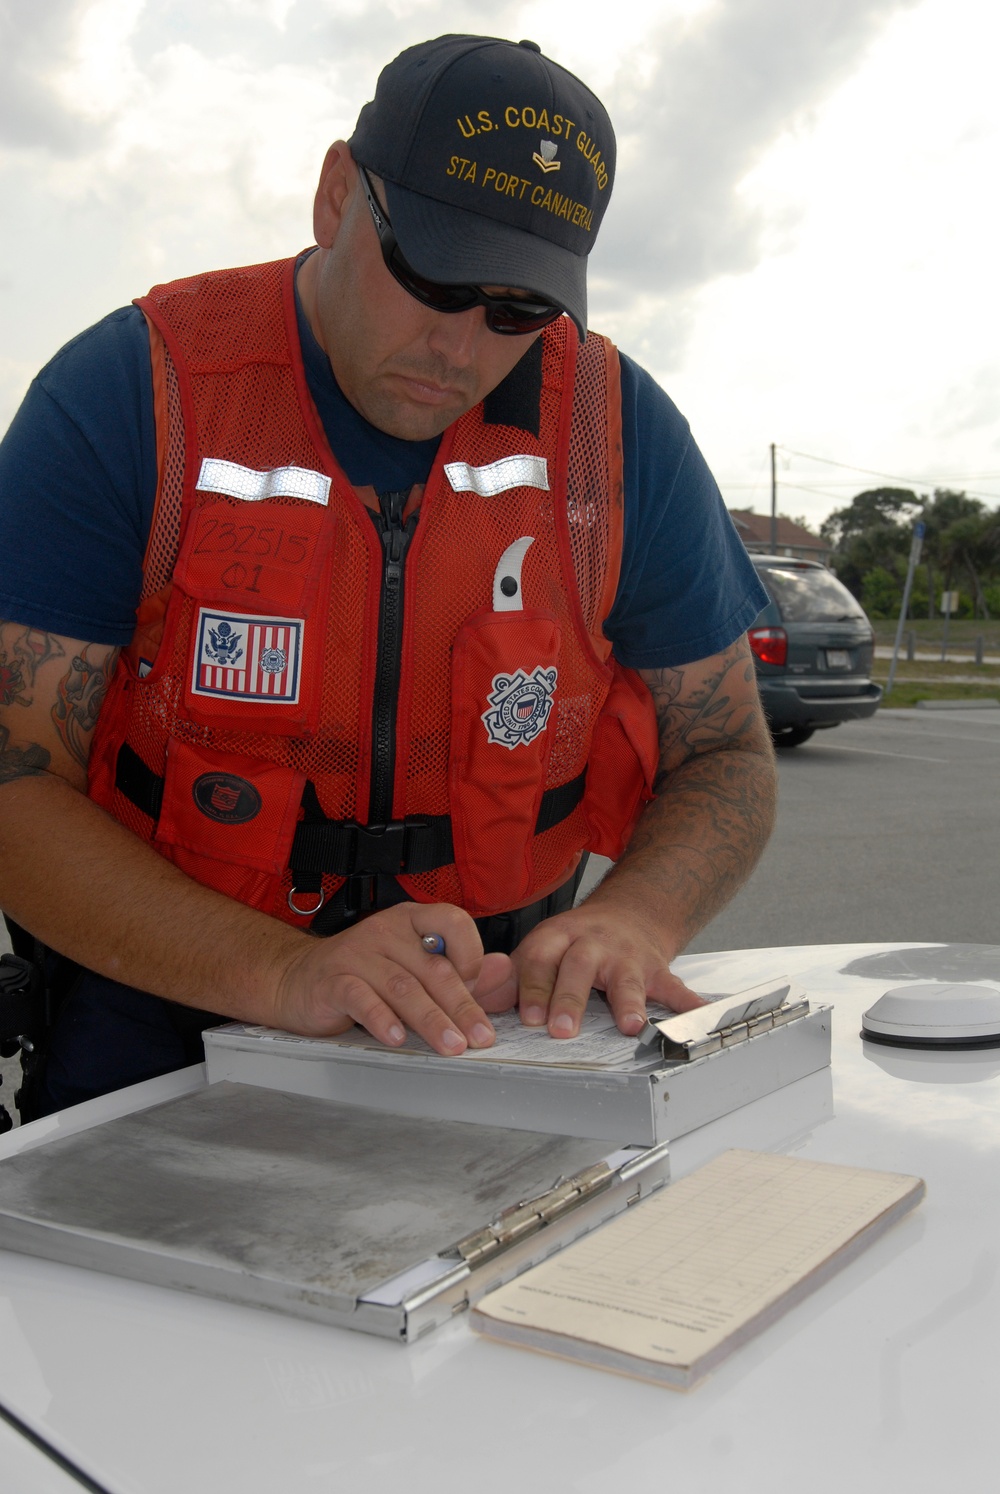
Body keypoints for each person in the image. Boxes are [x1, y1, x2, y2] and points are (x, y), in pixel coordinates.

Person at [0, 34, 775, 1119]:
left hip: (498, 1032)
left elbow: (727, 751)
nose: (461, 347)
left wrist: (636, 920)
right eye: (432, 276)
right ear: (334, 198)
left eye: (517, 310)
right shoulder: (136, 390)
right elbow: (12, 783)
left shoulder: (614, 433)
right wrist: (287, 973)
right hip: (159, 1027)